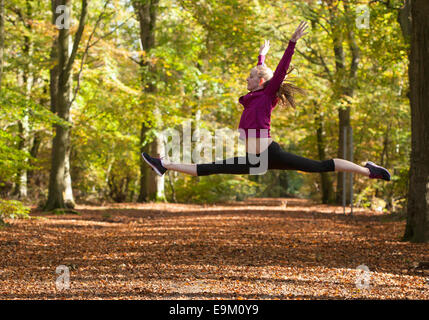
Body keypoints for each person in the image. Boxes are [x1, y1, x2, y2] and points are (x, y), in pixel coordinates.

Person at [142, 21, 390, 181]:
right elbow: (262, 72)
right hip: (255, 160)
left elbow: (278, 73)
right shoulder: (254, 96)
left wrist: (291, 43)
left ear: (261, 82)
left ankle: (368, 170)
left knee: (319, 166)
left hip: (270, 152)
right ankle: (164, 165)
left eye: (250, 76)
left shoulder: (268, 93)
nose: (246, 79)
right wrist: (261, 56)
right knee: (209, 168)